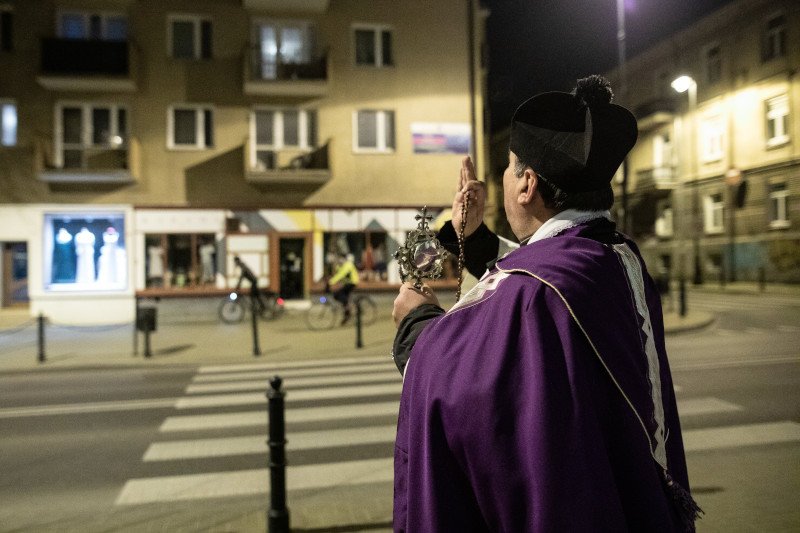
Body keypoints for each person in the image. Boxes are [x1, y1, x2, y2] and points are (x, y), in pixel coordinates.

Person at [391, 76, 701, 532]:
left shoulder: (539, 292)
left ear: (527, 184)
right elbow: (541, 267)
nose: (504, 176)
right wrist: (473, 237)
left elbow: (461, 385)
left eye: (510, 166)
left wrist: (414, 320)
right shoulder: (614, 256)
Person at [328, 253, 359, 324]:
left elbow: (341, 275)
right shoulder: (341, 265)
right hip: (347, 283)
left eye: (341, 259)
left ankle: (348, 308)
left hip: (352, 283)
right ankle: (347, 312)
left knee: (338, 294)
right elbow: (337, 273)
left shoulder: (348, 265)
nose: (340, 260)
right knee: (340, 296)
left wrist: (331, 282)